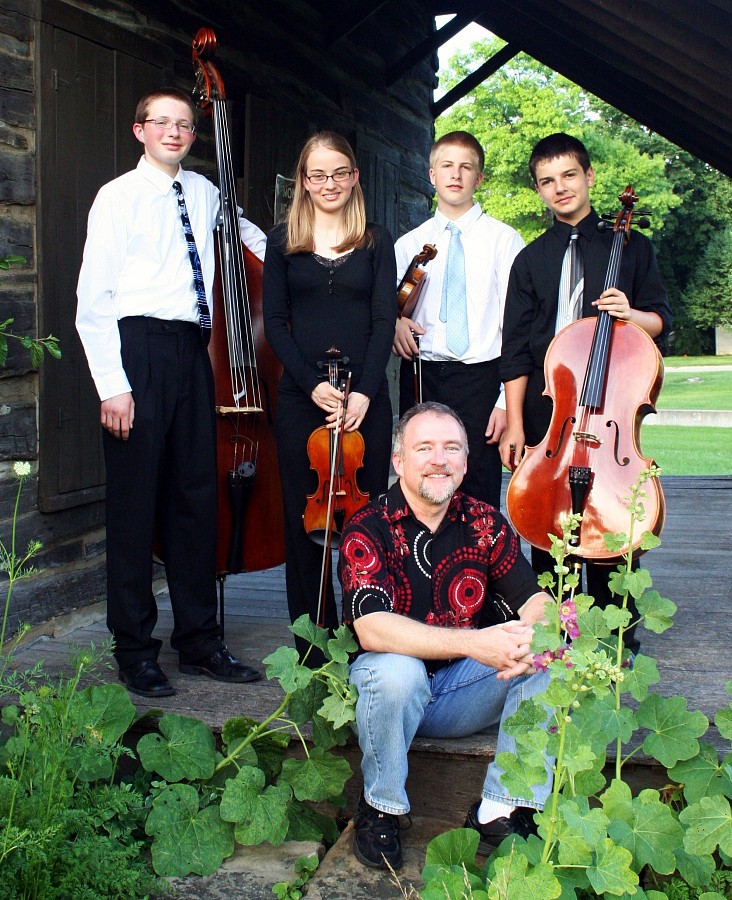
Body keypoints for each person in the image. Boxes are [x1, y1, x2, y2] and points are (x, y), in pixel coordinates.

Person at [76, 87, 266, 698]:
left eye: (185, 124)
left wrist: (293, 261)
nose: (176, 132)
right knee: (135, 507)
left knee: (195, 500)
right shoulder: (117, 198)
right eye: (163, 122)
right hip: (138, 352)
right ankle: (134, 649)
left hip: (192, 352)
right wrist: (113, 386)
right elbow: (93, 302)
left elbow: (244, 238)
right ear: (141, 131)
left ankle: (199, 640)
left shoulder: (205, 191)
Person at [338, 402, 554, 870]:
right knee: (396, 670)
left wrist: (531, 638)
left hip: (461, 694)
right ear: (399, 462)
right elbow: (372, 627)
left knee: (548, 650)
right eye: (425, 448)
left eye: (451, 448)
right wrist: (476, 643)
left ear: (466, 460)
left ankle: (503, 806)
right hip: (389, 695)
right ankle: (380, 806)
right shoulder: (367, 527)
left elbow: (536, 602)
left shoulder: (484, 522)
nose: (439, 459)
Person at [500, 133, 672, 652]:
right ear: (538, 190)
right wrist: (513, 422)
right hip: (550, 412)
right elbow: (514, 350)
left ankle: (618, 641)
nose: (561, 188)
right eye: (548, 181)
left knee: (615, 524)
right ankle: (556, 636)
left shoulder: (633, 248)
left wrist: (630, 315)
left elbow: (661, 320)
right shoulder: (530, 260)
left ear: (589, 177)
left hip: (611, 413)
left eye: (569, 176)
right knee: (547, 527)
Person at [262, 132, 396, 663]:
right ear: (304, 181)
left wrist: (363, 389)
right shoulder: (281, 241)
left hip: (365, 399)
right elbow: (275, 323)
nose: (329, 184)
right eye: (317, 175)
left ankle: (365, 639)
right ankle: (311, 651)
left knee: (366, 525)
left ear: (354, 176)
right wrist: (310, 383)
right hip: (302, 399)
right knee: (307, 524)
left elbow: (385, 320)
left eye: (339, 172)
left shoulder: (377, 240)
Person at [392, 131, 525, 508]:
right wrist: (395, 323)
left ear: (478, 178)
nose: (456, 174)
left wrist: (504, 401)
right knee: (423, 487)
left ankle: (476, 568)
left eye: (466, 167)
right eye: (447, 166)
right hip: (423, 375)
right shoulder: (409, 244)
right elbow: (388, 308)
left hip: (482, 378)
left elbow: (517, 327)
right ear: (432, 175)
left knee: (478, 491)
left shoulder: (504, 241)